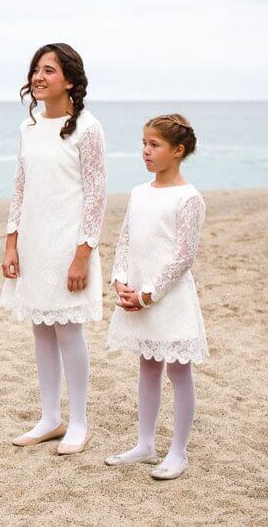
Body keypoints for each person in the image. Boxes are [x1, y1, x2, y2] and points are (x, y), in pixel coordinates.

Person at [0, 43, 106, 455]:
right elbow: (19, 187)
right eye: (36, 70)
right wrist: (11, 243)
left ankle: (78, 421)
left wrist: (84, 252)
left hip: (68, 241)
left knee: (68, 328)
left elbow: (96, 196)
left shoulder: (88, 128)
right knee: (40, 327)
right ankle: (50, 418)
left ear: (71, 81)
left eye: (49, 70)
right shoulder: (27, 129)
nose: (38, 77)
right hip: (33, 239)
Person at [105, 114, 207, 481]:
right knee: (147, 366)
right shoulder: (138, 192)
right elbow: (126, 240)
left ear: (177, 151)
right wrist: (120, 280)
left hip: (168, 298)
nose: (146, 151)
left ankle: (177, 451)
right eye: (144, 143)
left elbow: (184, 256)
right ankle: (144, 443)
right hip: (137, 293)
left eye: (155, 145)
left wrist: (149, 294)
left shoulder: (189, 198)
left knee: (179, 371)